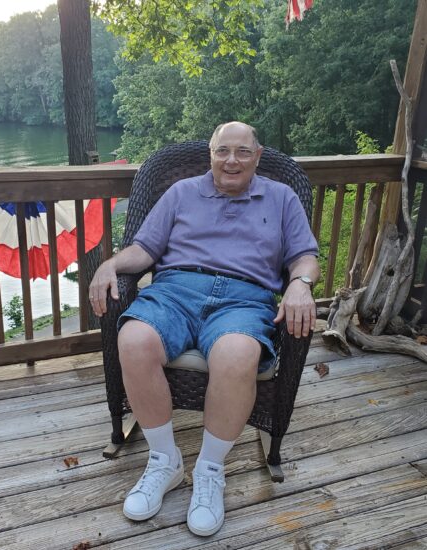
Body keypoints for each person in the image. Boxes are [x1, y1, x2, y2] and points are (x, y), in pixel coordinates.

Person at [89, 121, 320, 537]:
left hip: (244, 298)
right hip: (177, 290)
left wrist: (301, 284)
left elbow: (305, 257)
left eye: (242, 152)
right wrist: (110, 264)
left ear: (258, 156)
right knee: (134, 338)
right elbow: (144, 250)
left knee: (237, 355)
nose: (231, 160)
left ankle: (210, 470)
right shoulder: (180, 193)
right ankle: (165, 462)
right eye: (222, 151)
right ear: (210, 155)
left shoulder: (282, 197)